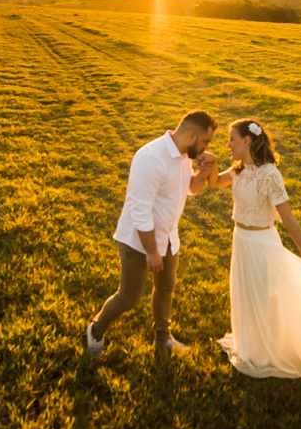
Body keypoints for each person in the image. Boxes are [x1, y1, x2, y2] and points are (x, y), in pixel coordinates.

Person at [204, 119, 301, 394]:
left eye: (232, 139)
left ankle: (268, 350)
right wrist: (210, 162)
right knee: (245, 293)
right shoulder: (239, 169)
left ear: (247, 141)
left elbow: (289, 219)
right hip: (241, 240)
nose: (228, 144)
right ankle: (250, 345)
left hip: (261, 244)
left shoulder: (270, 174)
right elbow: (214, 183)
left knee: (263, 297)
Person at [86, 110, 218, 354]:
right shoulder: (151, 157)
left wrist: (202, 175)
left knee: (166, 287)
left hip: (169, 238)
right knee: (129, 297)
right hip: (139, 242)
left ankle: (162, 338)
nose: (206, 148)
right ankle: (95, 330)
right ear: (191, 135)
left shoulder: (184, 154)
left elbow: (188, 188)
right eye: (205, 142)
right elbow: (141, 211)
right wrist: (152, 252)